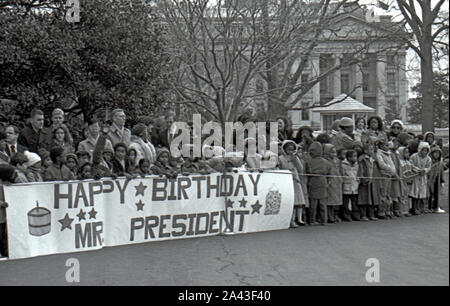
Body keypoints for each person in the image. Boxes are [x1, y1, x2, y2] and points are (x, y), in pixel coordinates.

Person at [279, 140, 308, 227]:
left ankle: (299, 219)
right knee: (292, 202)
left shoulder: (295, 158)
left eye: (292, 149)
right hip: (287, 180)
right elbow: (281, 168)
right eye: (289, 149)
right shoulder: (281, 158)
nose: (290, 151)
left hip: (296, 180)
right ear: (284, 149)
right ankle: (291, 220)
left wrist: (295, 159)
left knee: (298, 200)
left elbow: (300, 168)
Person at [306, 141, 331, 226]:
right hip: (323, 181)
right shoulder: (326, 162)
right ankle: (324, 220)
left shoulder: (309, 161)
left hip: (313, 182)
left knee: (313, 203)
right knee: (322, 203)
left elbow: (308, 171)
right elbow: (329, 171)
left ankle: (312, 220)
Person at [375, 139, 396, 219]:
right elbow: (381, 164)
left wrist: (393, 171)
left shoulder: (388, 154)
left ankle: (387, 210)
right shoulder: (379, 153)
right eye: (386, 145)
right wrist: (390, 169)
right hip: (383, 175)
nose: (388, 147)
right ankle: (381, 211)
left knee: (388, 193)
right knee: (382, 193)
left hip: (389, 175)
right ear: (381, 146)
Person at [409, 142, 432, 215]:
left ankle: (419, 208)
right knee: (414, 193)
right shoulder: (414, 156)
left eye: (426, 150)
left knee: (421, 193)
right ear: (419, 149)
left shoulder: (428, 158)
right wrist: (417, 170)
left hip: (422, 177)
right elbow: (411, 164)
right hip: (415, 176)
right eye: (423, 150)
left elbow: (429, 167)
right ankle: (413, 208)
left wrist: (424, 170)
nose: (424, 152)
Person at [323, 144, 342, 223]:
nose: (334, 154)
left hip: (337, 181)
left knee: (337, 200)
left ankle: (335, 215)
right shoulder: (325, 161)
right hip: (330, 182)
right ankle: (330, 216)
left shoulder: (337, 161)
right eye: (332, 152)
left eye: (335, 152)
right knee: (330, 201)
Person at [357, 142, 377, 221]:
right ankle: (363, 215)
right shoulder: (362, 159)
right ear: (365, 151)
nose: (372, 151)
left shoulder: (373, 159)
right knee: (363, 199)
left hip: (372, 181)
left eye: (373, 149)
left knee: (371, 199)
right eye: (371, 149)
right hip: (365, 181)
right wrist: (363, 178)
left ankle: (371, 214)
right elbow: (360, 169)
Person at [341, 150, 360, 221]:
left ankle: (355, 215)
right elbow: (342, 175)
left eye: (356, 156)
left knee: (354, 202)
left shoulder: (356, 165)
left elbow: (357, 174)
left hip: (354, 186)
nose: (356, 158)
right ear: (349, 157)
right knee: (346, 202)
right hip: (347, 185)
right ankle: (346, 215)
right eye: (354, 156)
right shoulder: (343, 165)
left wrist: (357, 179)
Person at [428, 146, 446, 214]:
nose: (436, 155)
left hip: (437, 179)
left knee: (436, 193)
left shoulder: (440, 162)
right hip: (430, 179)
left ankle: (435, 206)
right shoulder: (430, 161)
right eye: (435, 153)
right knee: (430, 193)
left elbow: (441, 171)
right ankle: (429, 206)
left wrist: (442, 180)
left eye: (438, 153)